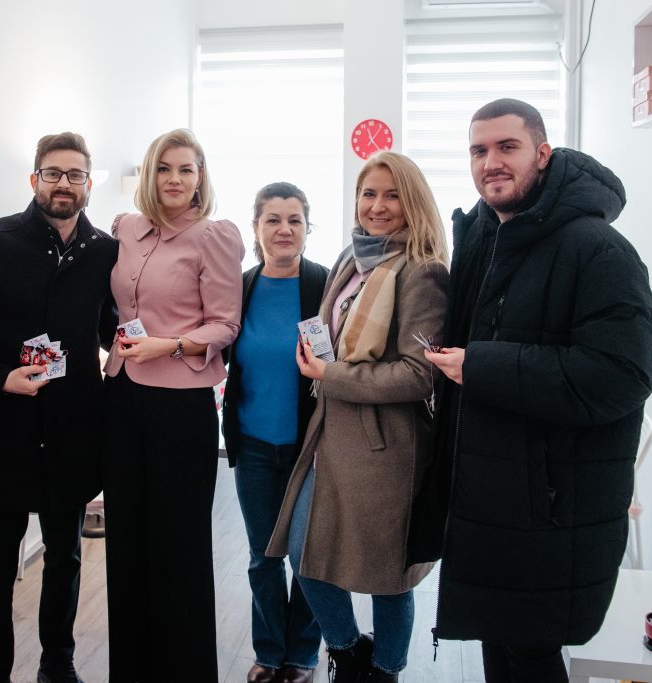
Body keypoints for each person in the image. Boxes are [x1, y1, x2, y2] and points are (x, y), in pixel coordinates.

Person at [414, 98, 652, 683]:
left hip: (550, 505)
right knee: (501, 643)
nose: (491, 163)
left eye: (508, 147)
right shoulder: (487, 239)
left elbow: (623, 374)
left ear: (543, 153)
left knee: (529, 654)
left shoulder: (596, 248)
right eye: (479, 150)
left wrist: (481, 366)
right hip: (492, 493)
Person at [266, 151, 450, 683]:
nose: (378, 205)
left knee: (390, 576)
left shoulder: (423, 271)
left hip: (385, 447)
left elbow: (420, 374)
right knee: (303, 554)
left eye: (393, 195)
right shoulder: (352, 257)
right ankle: (348, 654)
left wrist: (331, 375)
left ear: (413, 202)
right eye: (369, 193)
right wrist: (319, 359)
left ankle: (385, 670)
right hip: (329, 435)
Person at [0, 132, 117, 683]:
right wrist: (0, 377)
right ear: (34, 179)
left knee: (65, 560)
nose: (64, 183)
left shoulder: (106, 251)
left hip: (73, 434)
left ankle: (57, 664)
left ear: (89, 183)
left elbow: (113, 329)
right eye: (53, 173)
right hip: (2, 433)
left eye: (75, 174)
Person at [102, 128, 245, 682]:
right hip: (122, 397)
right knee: (126, 539)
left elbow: (225, 324)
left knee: (179, 544)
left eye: (186, 169)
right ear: (149, 174)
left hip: (180, 407)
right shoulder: (125, 228)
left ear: (201, 177)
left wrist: (170, 345)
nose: (175, 179)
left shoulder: (214, 236)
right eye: (164, 168)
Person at [222, 182, 328, 683]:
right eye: (273, 220)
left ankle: (303, 655)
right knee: (263, 557)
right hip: (254, 447)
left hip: (313, 449)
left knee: (308, 558)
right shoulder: (238, 289)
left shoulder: (325, 286)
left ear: (307, 228)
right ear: (256, 227)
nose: (284, 229)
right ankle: (269, 652)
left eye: (294, 220)